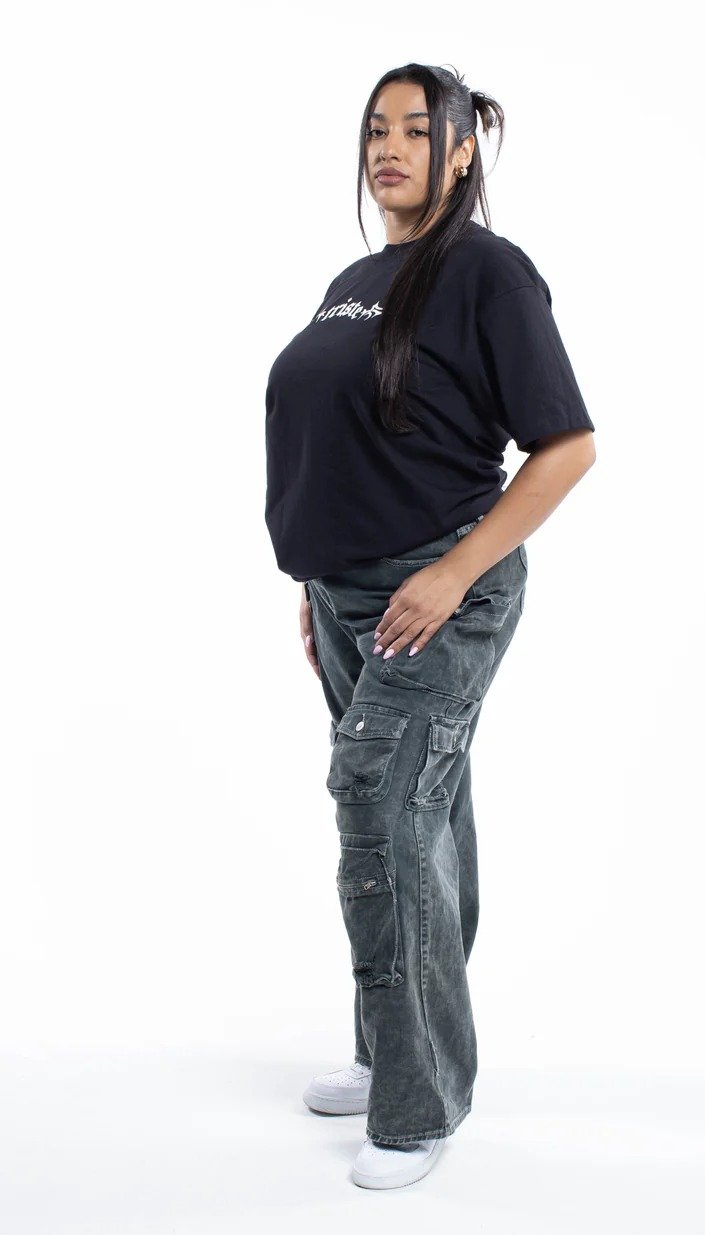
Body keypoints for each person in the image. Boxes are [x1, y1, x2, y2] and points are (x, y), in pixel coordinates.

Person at [264, 62, 597, 1190]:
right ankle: (389, 1045)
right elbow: (353, 439)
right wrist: (313, 578)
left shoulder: (488, 272)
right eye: (376, 129)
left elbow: (566, 447)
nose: (389, 147)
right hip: (344, 595)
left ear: (462, 151)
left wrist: (454, 573)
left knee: (381, 810)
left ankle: (419, 1103)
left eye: (416, 129)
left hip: (437, 589)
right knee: (421, 812)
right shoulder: (358, 278)